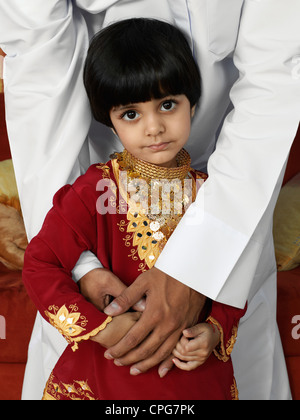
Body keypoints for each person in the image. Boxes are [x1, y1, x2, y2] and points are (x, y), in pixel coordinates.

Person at [1, 0, 299, 400]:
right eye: (131, 113)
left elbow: (276, 77)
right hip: (85, 170)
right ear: (111, 116)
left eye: (168, 105)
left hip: (236, 189)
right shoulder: (93, 192)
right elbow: (39, 65)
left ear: (188, 103)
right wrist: (85, 269)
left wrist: (201, 276)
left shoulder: (205, 188)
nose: (154, 127)